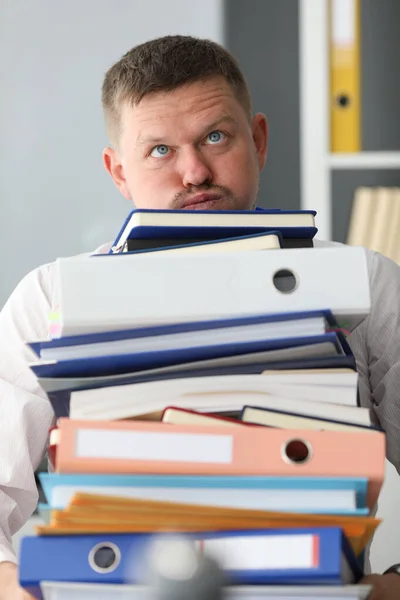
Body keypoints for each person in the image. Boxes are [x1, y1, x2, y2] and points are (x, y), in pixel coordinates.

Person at [0, 35, 399, 599]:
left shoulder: (366, 282)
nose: (193, 173)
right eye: (159, 150)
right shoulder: (49, 297)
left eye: (215, 136)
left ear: (257, 140)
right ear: (118, 171)